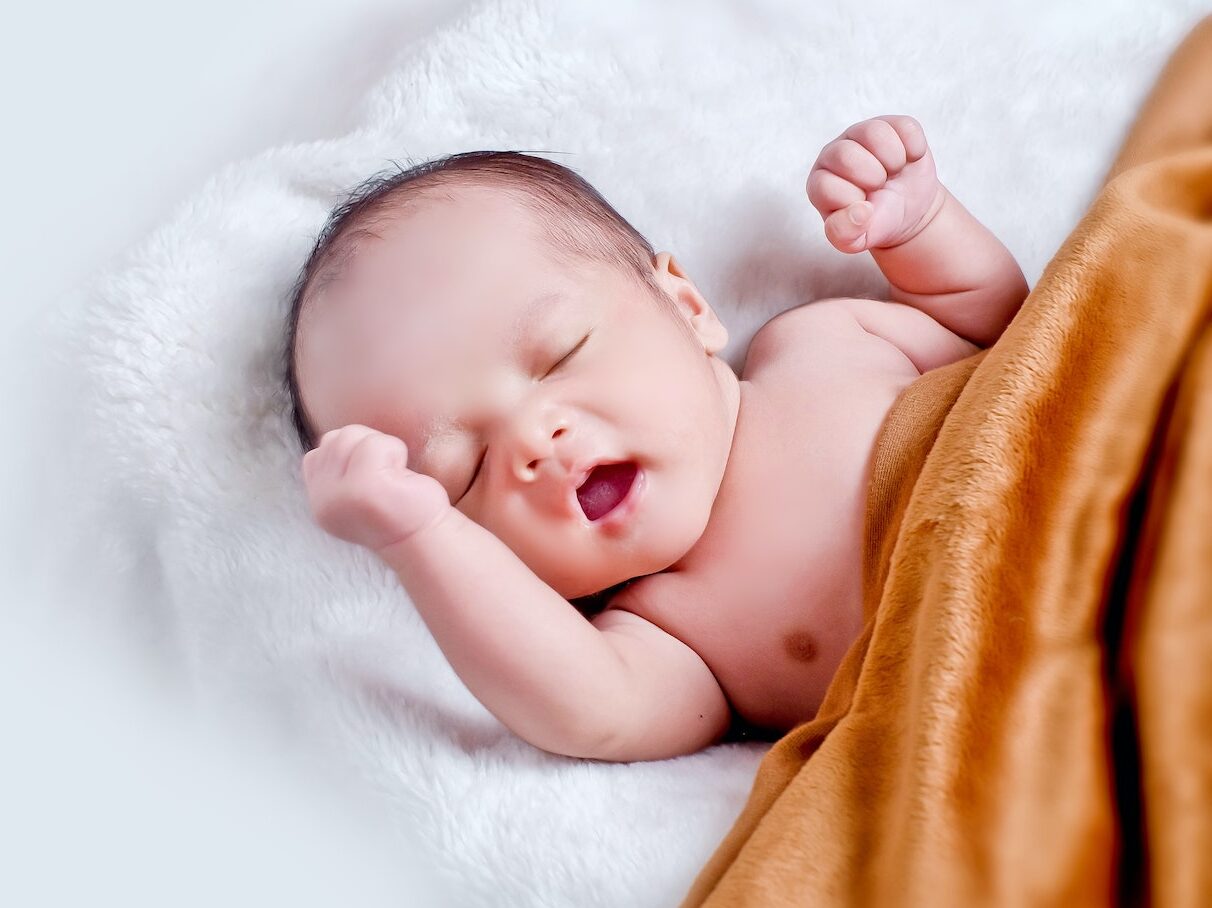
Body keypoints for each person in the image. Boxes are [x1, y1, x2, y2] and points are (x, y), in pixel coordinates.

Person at [286, 115, 1029, 762]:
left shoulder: (824, 342)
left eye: (560, 354)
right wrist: (417, 538)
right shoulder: (672, 636)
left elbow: (1002, 334)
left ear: (686, 304)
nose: (536, 443)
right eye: (465, 471)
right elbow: (588, 711)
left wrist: (923, 225)